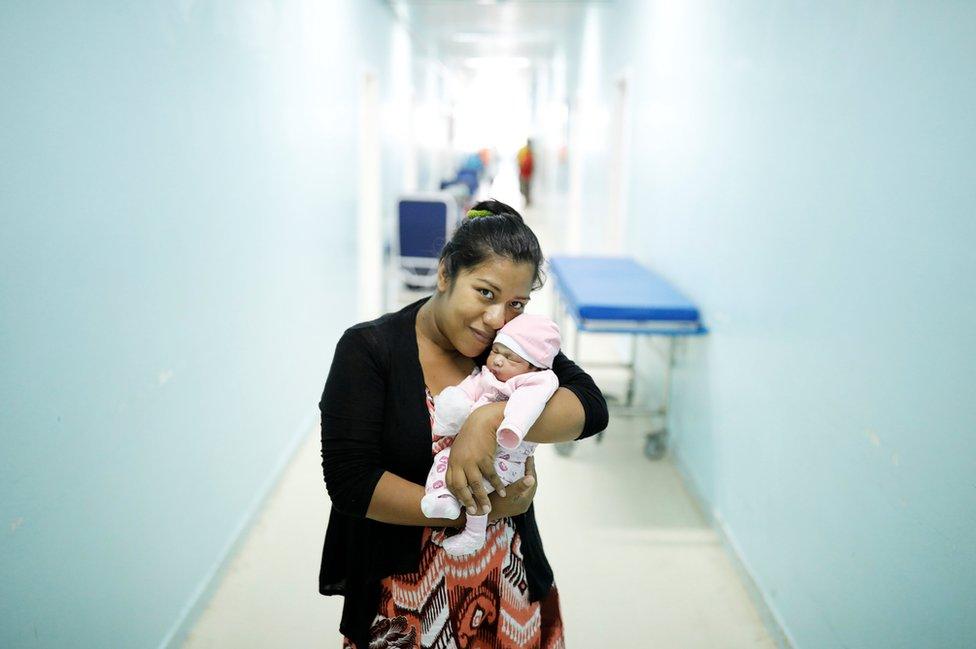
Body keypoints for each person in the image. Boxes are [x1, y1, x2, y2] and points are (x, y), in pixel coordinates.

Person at [319, 199, 609, 649]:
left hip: (507, 584)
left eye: (516, 303)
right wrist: (472, 511)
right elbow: (351, 482)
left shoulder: (512, 344)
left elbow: (590, 406)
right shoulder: (369, 350)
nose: (497, 319)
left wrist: (490, 420)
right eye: (485, 293)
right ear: (445, 273)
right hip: (403, 599)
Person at [422, 313, 562, 557]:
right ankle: (441, 497)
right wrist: (449, 416)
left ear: (532, 365)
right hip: (463, 450)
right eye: (496, 351)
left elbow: (526, 407)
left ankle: (474, 532)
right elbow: (464, 392)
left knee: (477, 482)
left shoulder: (535, 382)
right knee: (443, 458)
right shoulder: (486, 376)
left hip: (506, 459)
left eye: (510, 358)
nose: (497, 361)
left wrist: (510, 427)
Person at [517, 139, 535, 206]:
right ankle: (527, 200)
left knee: (526, 188)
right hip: (524, 174)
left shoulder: (529, 153)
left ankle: (528, 201)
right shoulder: (524, 151)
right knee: (524, 188)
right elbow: (519, 162)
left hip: (526, 174)